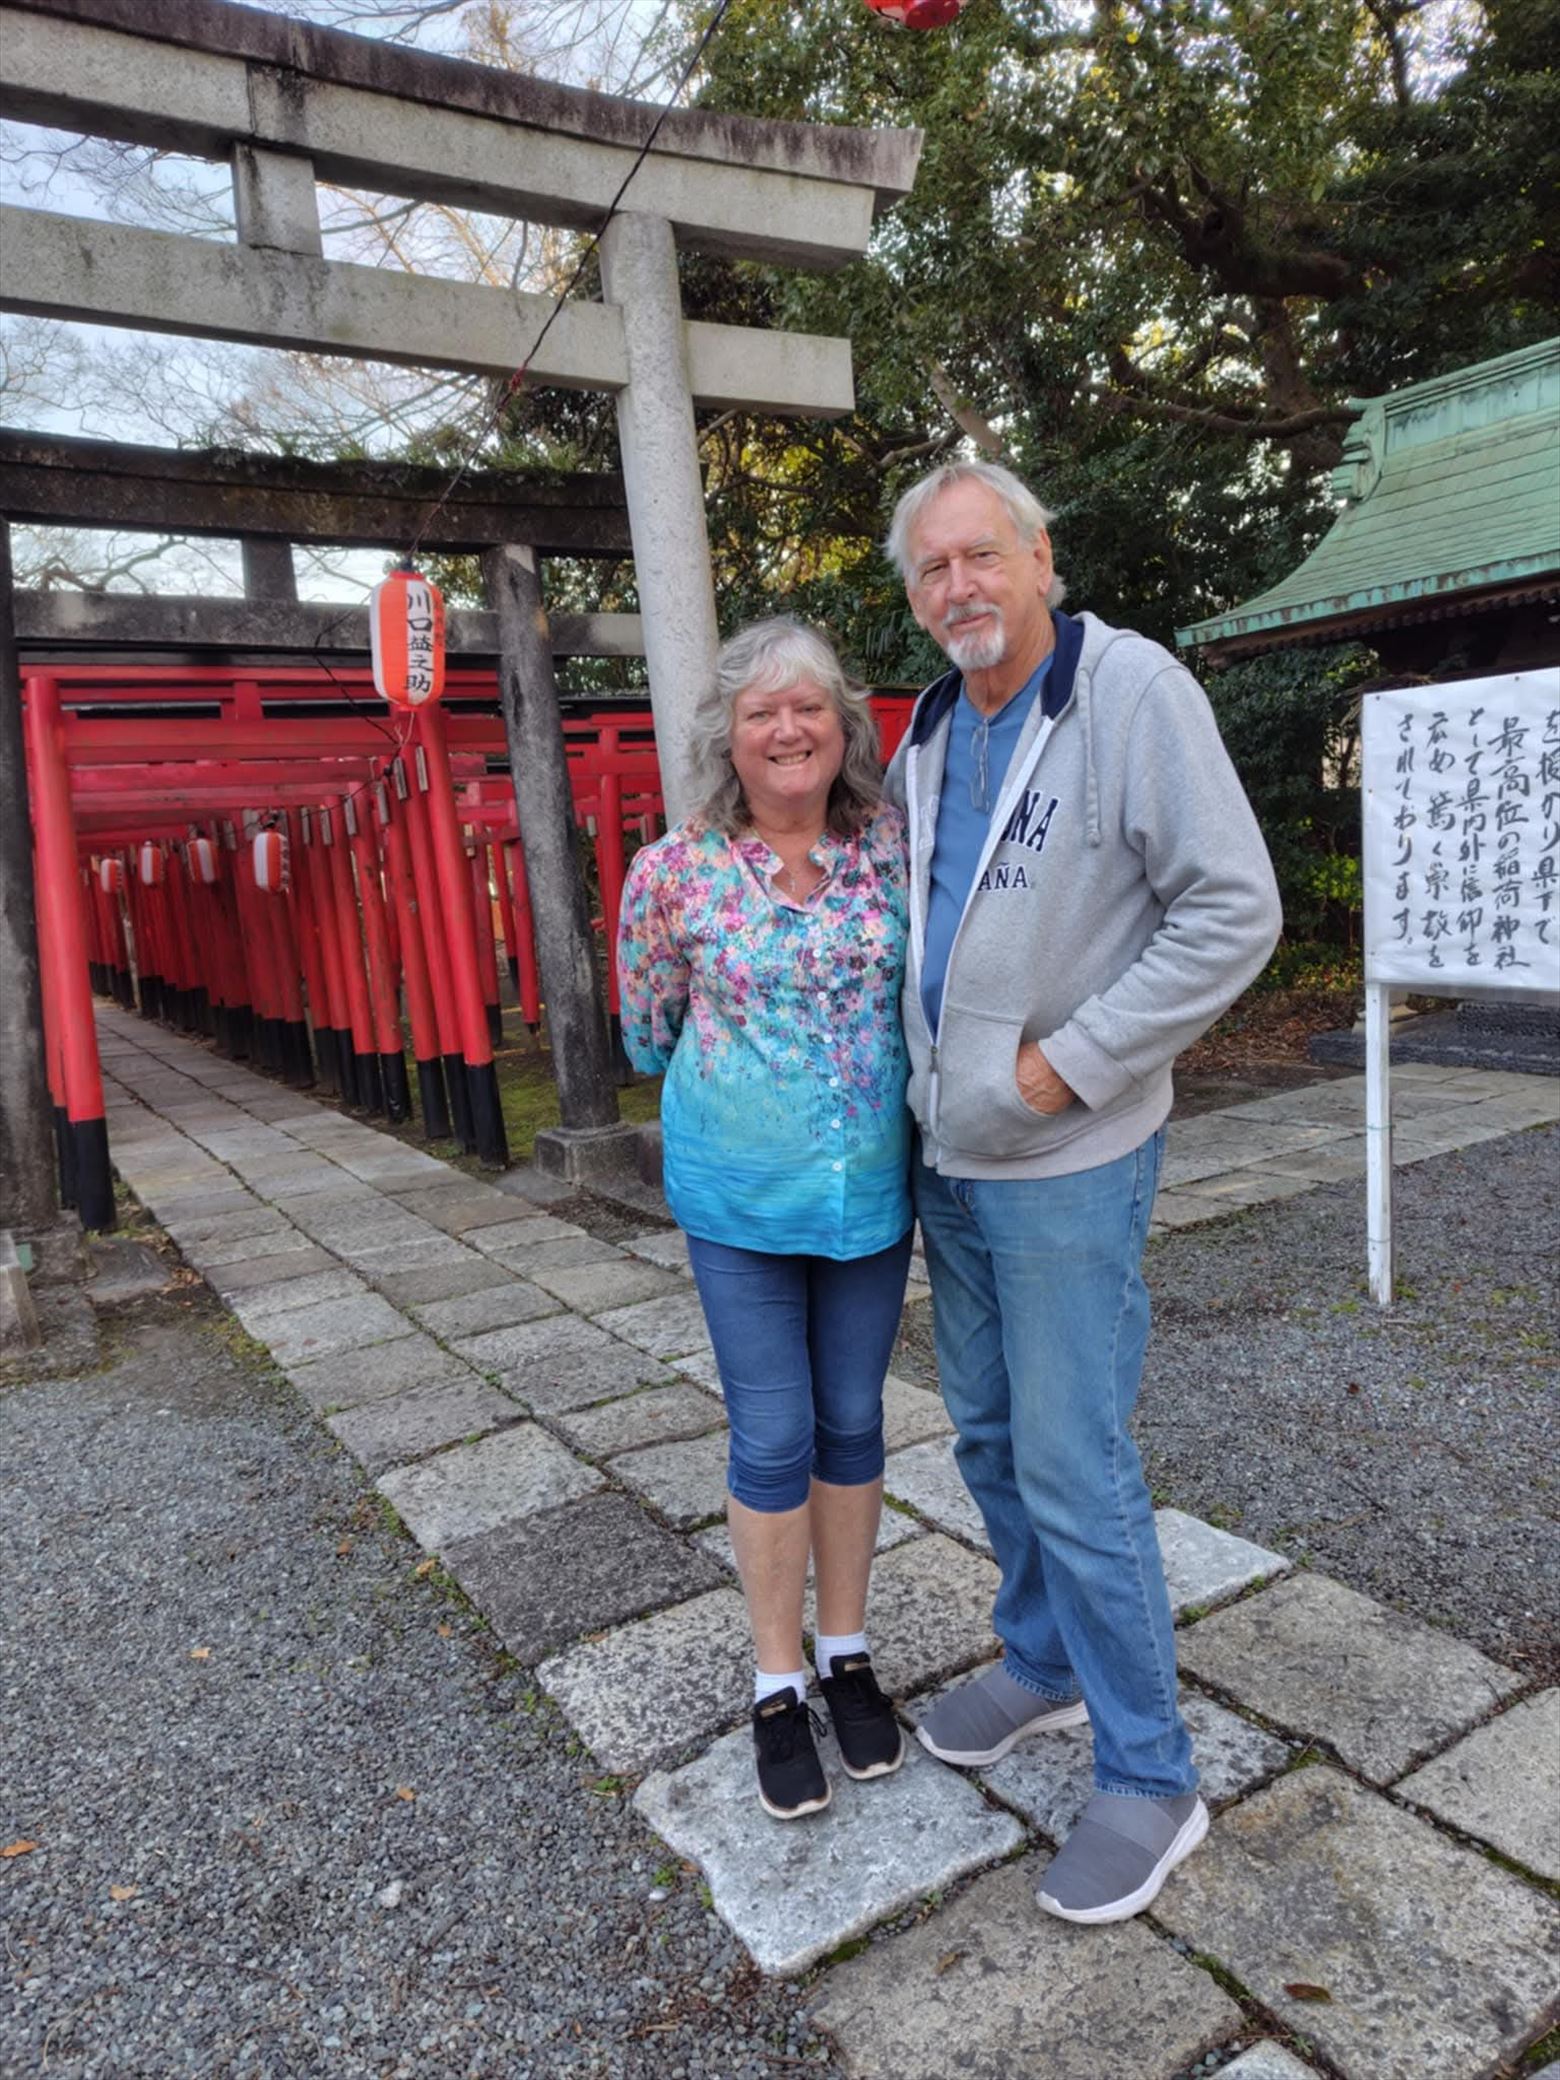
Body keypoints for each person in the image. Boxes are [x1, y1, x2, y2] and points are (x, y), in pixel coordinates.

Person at [881, 460, 1282, 1922]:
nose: (959, 589)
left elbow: (1234, 904)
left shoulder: (1129, 694)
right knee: (989, 1437)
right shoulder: (930, 732)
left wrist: (1076, 1063)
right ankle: (1043, 1661)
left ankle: (1150, 1774)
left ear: (1042, 557)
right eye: (932, 571)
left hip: (1066, 1155)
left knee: (1072, 1457)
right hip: (952, 1160)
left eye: (981, 556)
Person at [617, 617, 913, 1821]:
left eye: (808, 708)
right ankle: (776, 1677)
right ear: (725, 738)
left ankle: (847, 1652)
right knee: (773, 1432)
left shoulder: (896, 850)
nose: (786, 730)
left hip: (871, 1191)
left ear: (843, 726)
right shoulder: (673, 873)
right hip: (739, 1197)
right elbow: (648, 1029)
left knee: (854, 1420)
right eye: (759, 712)